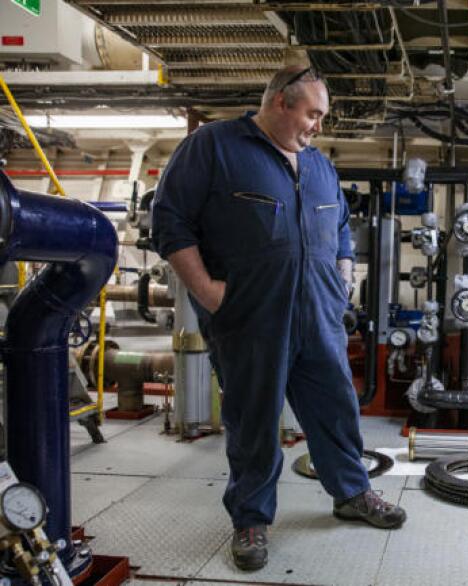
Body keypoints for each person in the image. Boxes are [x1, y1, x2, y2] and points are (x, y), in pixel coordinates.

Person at [152, 66, 406, 572]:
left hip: (318, 313)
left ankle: (352, 492)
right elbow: (169, 221)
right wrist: (206, 290)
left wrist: (341, 277)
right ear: (280, 103)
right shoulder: (214, 147)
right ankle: (250, 519)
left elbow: (340, 228)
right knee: (254, 421)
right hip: (250, 316)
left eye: (322, 116)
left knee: (336, 408)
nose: (318, 126)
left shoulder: (318, 166)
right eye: (313, 114)